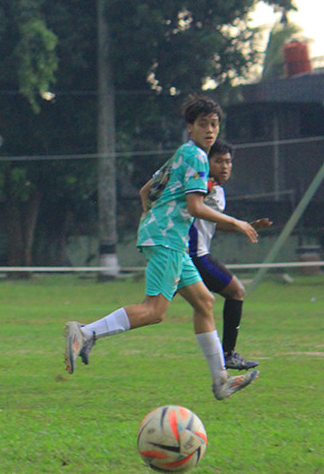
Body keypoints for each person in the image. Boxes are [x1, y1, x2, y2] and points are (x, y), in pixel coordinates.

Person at [64, 95, 262, 400]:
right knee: (154, 310)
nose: (210, 130)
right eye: (203, 124)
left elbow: (147, 190)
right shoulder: (196, 156)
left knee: (205, 302)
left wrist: (153, 218)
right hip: (168, 239)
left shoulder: (182, 154)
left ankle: (220, 381)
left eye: (214, 124)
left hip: (169, 239)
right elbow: (196, 207)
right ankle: (86, 332)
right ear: (190, 127)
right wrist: (235, 222)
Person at [188, 139, 272, 370]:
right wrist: (238, 223)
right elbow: (193, 206)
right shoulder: (201, 185)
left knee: (154, 310)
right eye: (219, 161)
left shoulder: (217, 190)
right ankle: (227, 355)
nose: (225, 166)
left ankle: (89, 332)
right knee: (236, 292)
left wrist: (245, 225)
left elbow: (212, 222)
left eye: (228, 162)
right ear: (207, 162)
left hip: (191, 256)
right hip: (194, 255)